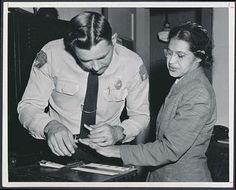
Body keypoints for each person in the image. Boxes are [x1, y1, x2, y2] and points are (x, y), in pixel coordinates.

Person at [80, 21, 217, 181]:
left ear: (198, 57)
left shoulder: (198, 92)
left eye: (180, 55)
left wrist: (113, 150)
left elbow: (170, 149)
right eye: (169, 52)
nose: (171, 61)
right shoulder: (184, 82)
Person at [17, 11, 150, 161]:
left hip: (109, 152)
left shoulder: (132, 64)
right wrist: (49, 126)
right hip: (58, 150)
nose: (96, 67)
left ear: (113, 40)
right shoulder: (51, 54)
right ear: (71, 47)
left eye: (102, 57)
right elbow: (28, 107)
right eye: (85, 60)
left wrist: (119, 132)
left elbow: (141, 115)